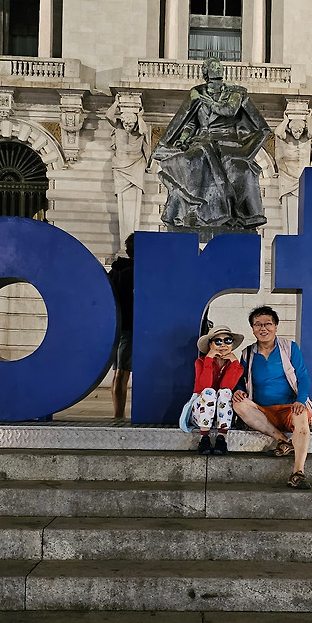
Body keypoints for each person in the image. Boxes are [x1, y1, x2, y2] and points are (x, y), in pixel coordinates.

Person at [153, 55, 271, 230]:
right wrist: (183, 139)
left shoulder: (234, 93)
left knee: (218, 162)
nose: (216, 78)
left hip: (227, 142)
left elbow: (229, 111)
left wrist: (207, 101)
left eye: (218, 75)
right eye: (212, 75)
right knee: (188, 159)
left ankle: (210, 210)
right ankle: (194, 207)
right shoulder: (197, 95)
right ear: (206, 75)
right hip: (201, 140)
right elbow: (191, 123)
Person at [231, 306, 312, 490]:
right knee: (239, 404)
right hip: (263, 414)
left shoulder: (290, 348)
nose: (263, 328)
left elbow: (303, 377)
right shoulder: (247, 353)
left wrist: (300, 401)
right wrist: (238, 390)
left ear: (276, 326)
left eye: (268, 324)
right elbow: (240, 381)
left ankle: (298, 473)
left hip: (289, 409)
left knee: (301, 414)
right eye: (257, 324)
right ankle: (283, 440)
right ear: (252, 329)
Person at [192, 324, 245, 455]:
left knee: (225, 392)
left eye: (228, 340)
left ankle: (221, 439)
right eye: (218, 341)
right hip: (200, 412)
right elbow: (204, 386)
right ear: (210, 345)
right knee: (209, 392)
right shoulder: (201, 362)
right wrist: (209, 359)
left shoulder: (236, 366)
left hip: (222, 415)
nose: (223, 345)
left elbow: (226, 386)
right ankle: (204, 438)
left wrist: (234, 363)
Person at [105, 97, 152, 240]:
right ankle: (126, 241)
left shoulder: (139, 129)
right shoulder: (118, 126)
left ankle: (130, 241)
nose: (127, 126)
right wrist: (116, 103)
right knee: (122, 204)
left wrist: (140, 116)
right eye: (126, 123)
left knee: (134, 205)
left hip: (136, 164)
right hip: (120, 165)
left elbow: (143, 131)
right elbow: (108, 116)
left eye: (130, 124)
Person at [274, 110, 312, 237]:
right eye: (295, 131)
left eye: (300, 131)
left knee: (303, 214)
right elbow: (278, 132)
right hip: (288, 177)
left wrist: (308, 118)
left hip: (302, 179)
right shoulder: (286, 139)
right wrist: (286, 120)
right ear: (290, 129)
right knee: (289, 214)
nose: (297, 134)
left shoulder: (306, 139)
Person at [107, 234, 135, 419]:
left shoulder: (116, 271)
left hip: (117, 327)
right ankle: (118, 415)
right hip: (130, 327)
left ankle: (119, 414)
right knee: (122, 373)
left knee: (118, 372)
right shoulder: (133, 273)